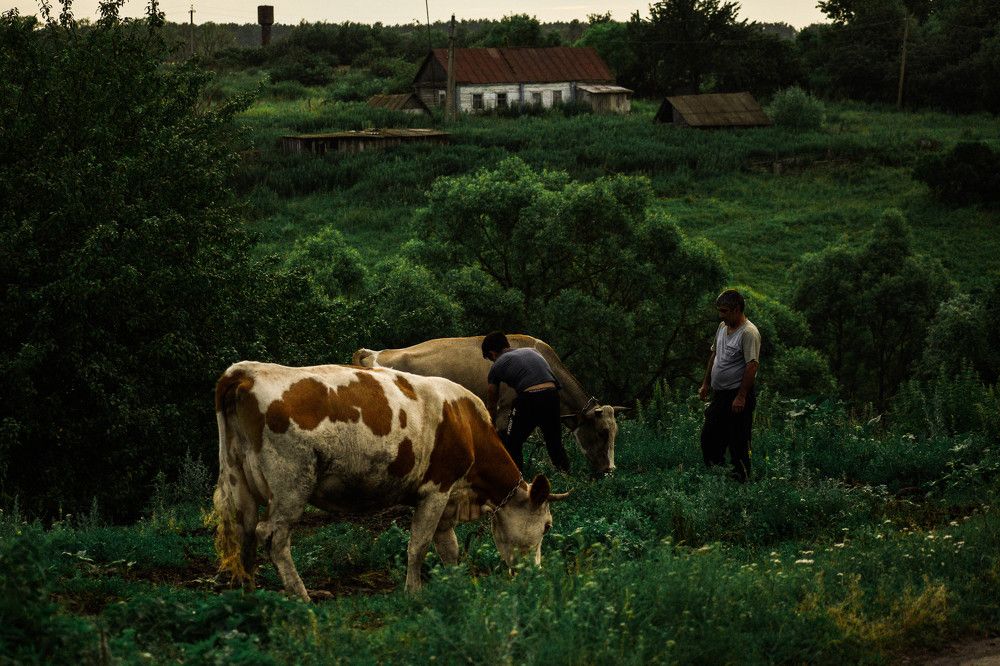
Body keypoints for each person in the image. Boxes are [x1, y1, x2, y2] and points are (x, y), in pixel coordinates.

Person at [482, 332, 571, 474]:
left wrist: (490, 427)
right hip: (552, 395)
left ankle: (518, 479)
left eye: (490, 358)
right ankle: (566, 476)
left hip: (530, 398)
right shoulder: (533, 351)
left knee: (512, 443)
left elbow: (492, 404)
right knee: (554, 443)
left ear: (492, 354)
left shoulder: (497, 365)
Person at [698, 290, 761, 481]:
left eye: (724, 311)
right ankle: (717, 475)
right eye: (720, 311)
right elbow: (714, 354)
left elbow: (752, 366)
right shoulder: (722, 327)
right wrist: (706, 383)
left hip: (737, 395)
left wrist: (741, 396)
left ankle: (741, 481)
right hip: (720, 394)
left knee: (738, 441)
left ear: (737, 309)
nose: (721, 315)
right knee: (709, 437)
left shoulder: (749, 332)